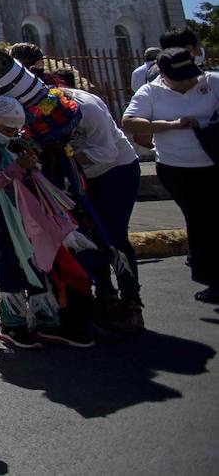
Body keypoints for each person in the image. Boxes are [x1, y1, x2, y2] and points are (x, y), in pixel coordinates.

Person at [123, 48, 219, 303]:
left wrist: (207, 126)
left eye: (190, 75)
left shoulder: (211, 82)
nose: (188, 81)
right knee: (199, 221)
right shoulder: (150, 92)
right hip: (177, 168)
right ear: (163, 74)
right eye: (181, 77)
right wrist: (172, 125)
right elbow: (130, 122)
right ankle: (212, 279)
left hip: (213, 163)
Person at [65, 84, 144, 330]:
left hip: (115, 171)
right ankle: (105, 294)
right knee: (88, 235)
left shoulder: (86, 107)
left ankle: (132, 303)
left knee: (114, 235)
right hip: (80, 178)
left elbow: (107, 152)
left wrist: (66, 157)